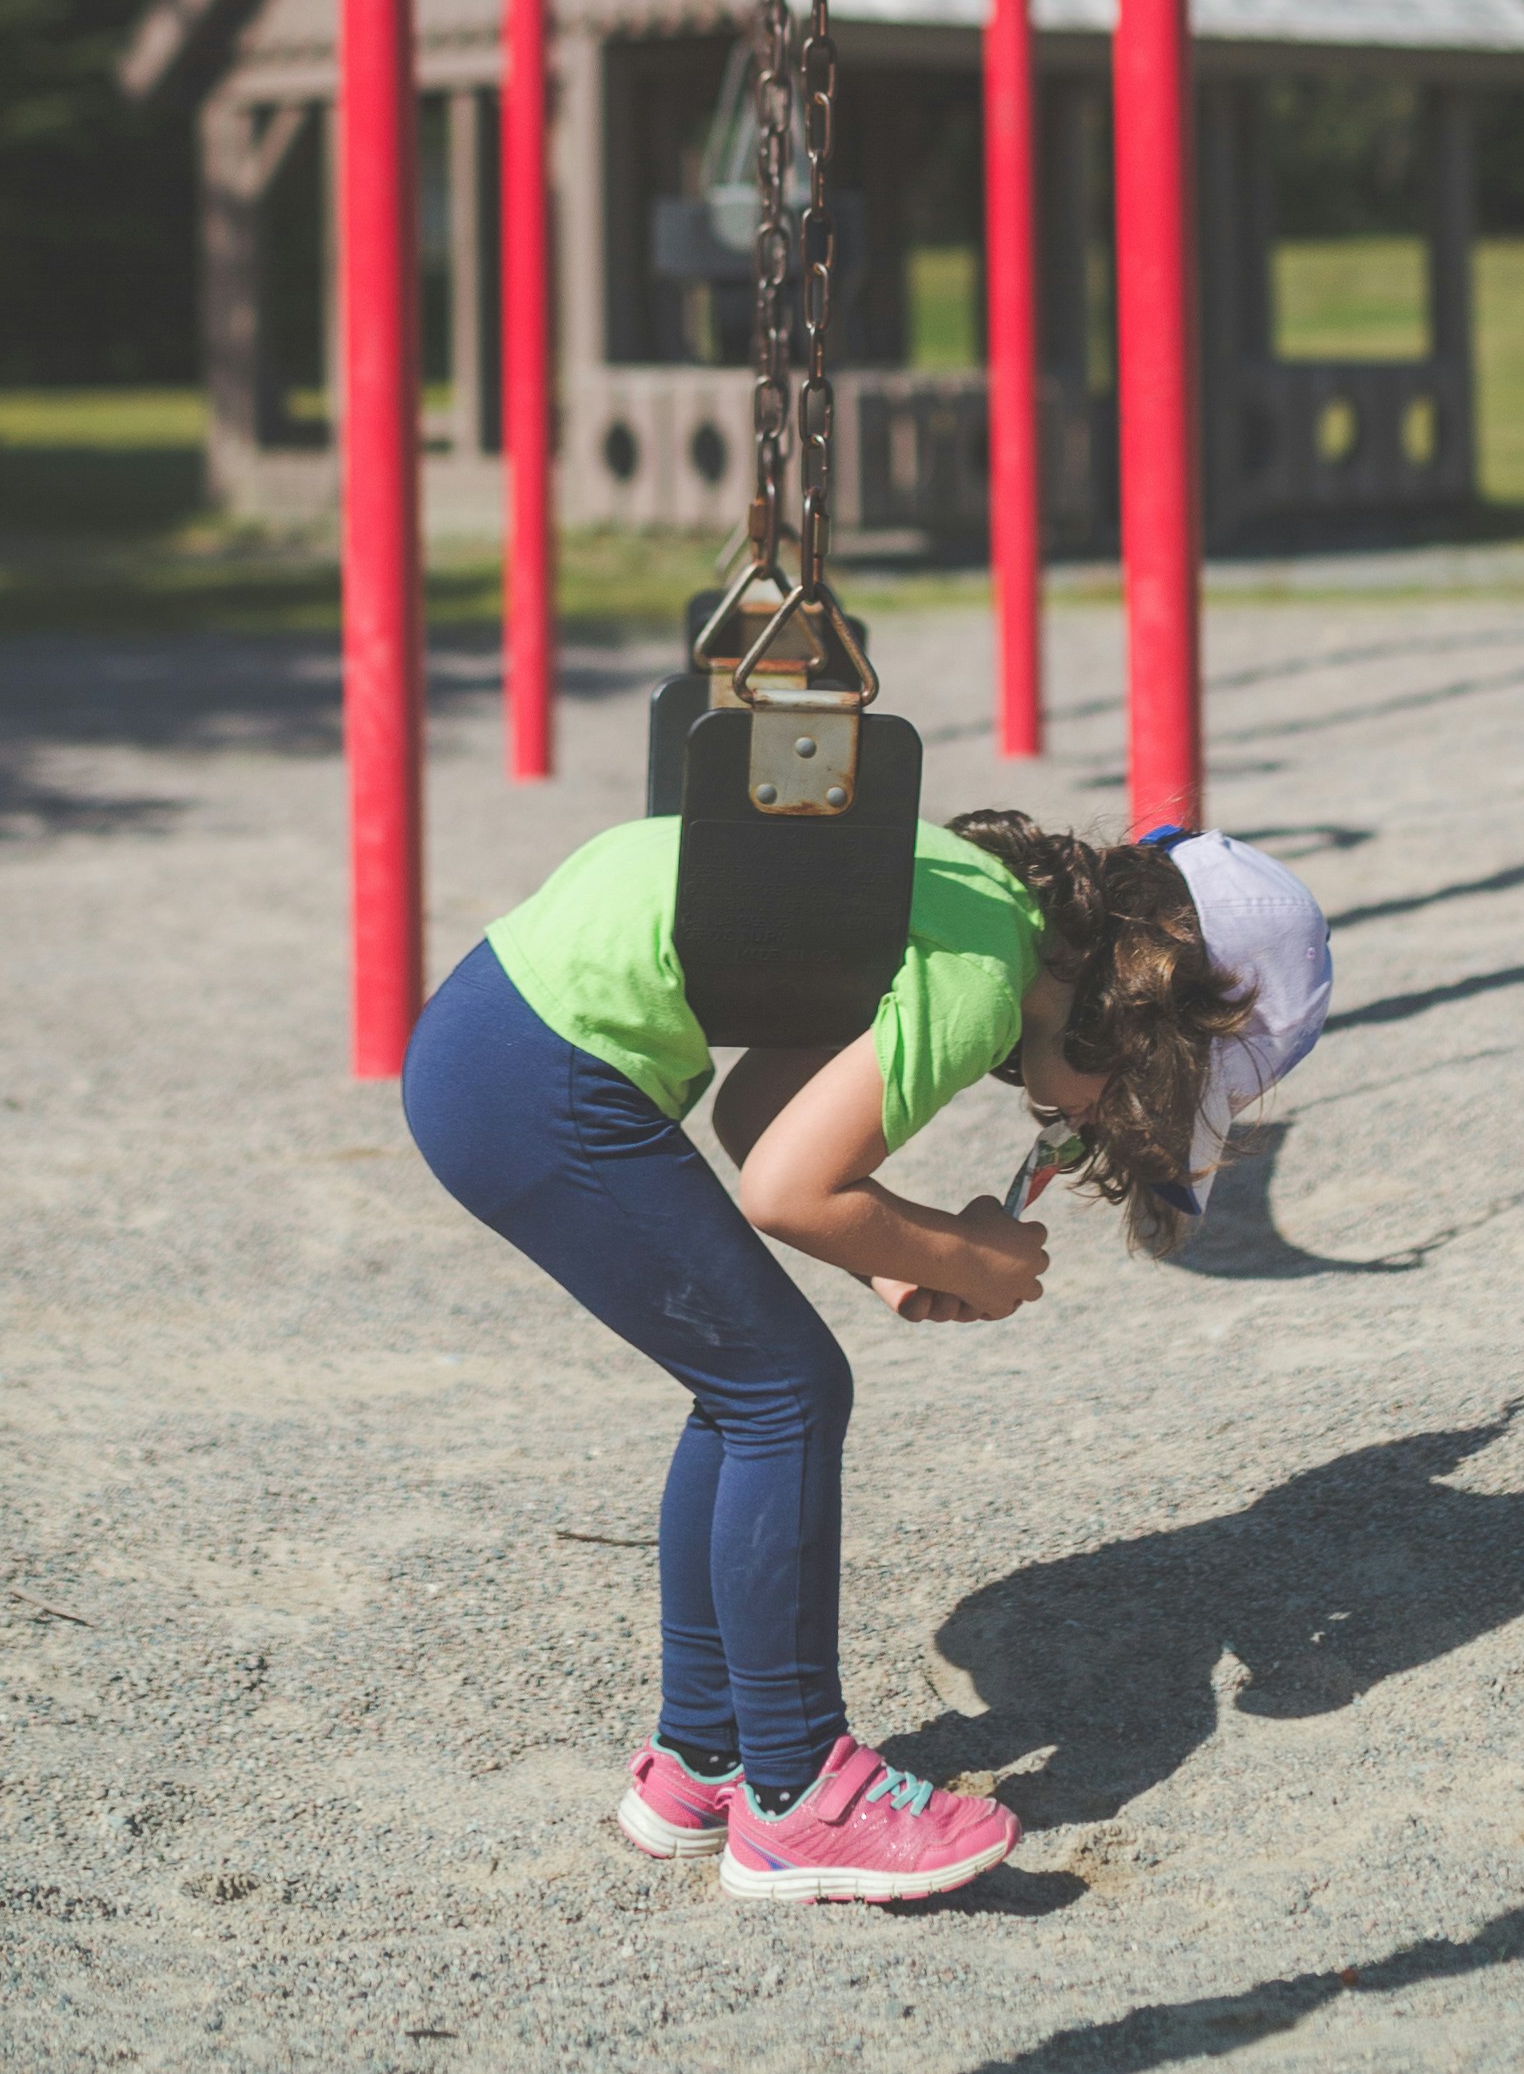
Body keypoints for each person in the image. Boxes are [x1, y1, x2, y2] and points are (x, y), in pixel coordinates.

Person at [399, 803, 1334, 1907]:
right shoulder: (981, 969)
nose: (1093, 1125)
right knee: (786, 1392)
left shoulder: (955, 894)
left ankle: (702, 1766)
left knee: (750, 1387)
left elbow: (761, 1112)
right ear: (1137, 1005)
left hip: (494, 1043)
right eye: (1143, 1099)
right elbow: (787, 1187)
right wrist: (968, 1255)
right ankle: (797, 1798)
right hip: (541, 1078)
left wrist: (890, 1259)